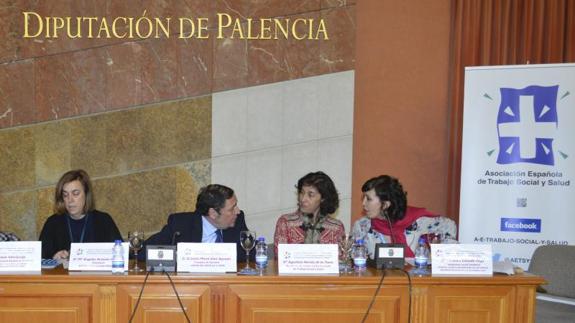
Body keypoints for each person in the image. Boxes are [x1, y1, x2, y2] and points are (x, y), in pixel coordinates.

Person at [352, 175, 457, 258]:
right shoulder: (362, 226)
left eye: (368, 199)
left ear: (385, 204)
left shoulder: (417, 221)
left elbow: (449, 226)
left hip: (415, 281)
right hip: (376, 282)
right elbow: (354, 257)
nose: (363, 203)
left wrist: (439, 252)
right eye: (363, 198)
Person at [143, 184, 254, 261]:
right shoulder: (180, 225)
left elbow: (252, 254)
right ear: (213, 213)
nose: (238, 211)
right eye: (232, 209)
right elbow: (145, 251)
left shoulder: (237, 221)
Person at [39, 169, 123, 260]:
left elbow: (122, 254)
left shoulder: (103, 220)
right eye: (65, 195)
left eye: (75, 193)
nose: (70, 200)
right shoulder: (52, 223)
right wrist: (53, 258)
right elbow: (40, 257)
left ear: (86, 194)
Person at [274, 171, 345, 255]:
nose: (303, 199)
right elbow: (280, 258)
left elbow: (341, 261)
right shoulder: (285, 222)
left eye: (310, 195)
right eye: (302, 192)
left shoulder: (336, 227)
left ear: (323, 198)